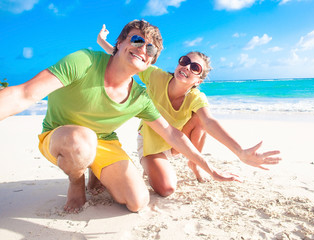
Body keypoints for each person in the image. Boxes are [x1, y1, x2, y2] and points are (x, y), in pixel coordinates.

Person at [0, 20, 244, 214]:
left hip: (104, 142)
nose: (142, 49)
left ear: (150, 60)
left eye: (149, 48)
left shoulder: (139, 97)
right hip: (61, 136)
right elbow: (23, 94)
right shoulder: (83, 61)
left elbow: (172, 133)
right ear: (119, 42)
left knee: (137, 201)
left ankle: (96, 170)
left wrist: (210, 169)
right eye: (137, 40)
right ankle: (77, 181)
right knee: (81, 139)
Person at [97, 25, 281, 197]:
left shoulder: (196, 97)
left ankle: (194, 163)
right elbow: (124, 56)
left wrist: (240, 152)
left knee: (200, 119)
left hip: (177, 142)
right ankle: (149, 163)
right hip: (151, 142)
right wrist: (101, 41)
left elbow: (209, 122)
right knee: (166, 189)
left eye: (195, 67)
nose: (186, 67)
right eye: (184, 61)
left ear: (198, 80)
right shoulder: (155, 76)